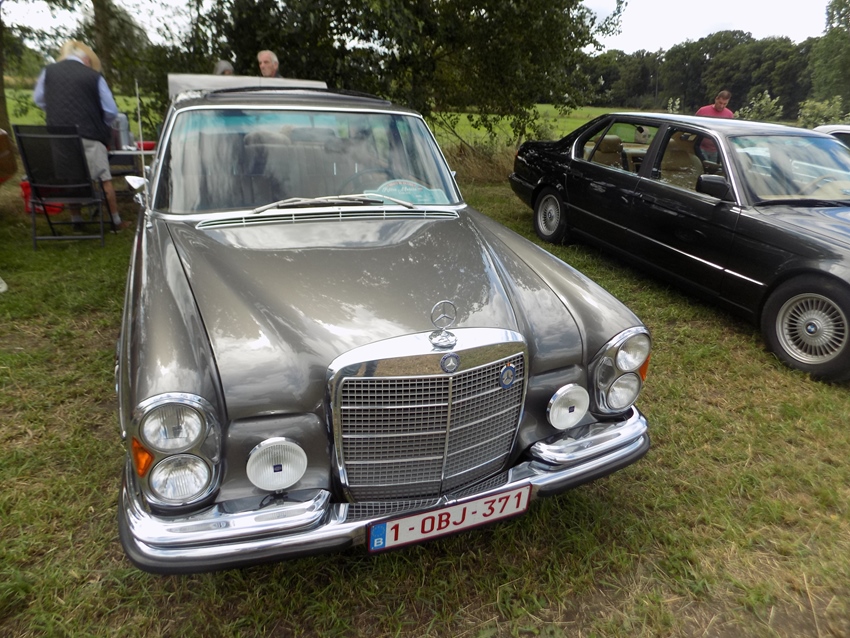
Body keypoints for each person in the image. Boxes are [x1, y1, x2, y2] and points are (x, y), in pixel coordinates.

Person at [33, 40, 129, 231]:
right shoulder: (93, 76)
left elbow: (39, 100)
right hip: (89, 135)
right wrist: (100, 123)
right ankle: (116, 221)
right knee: (104, 179)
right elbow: (111, 111)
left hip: (59, 137)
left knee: (70, 177)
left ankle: (76, 219)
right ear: (86, 59)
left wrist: (57, 111)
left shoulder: (48, 71)